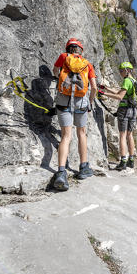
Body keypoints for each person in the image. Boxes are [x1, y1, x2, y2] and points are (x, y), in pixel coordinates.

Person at [51, 38, 97, 190]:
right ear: (80, 50)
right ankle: (83, 167)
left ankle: (61, 172)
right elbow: (94, 88)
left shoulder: (64, 57)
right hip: (81, 102)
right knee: (82, 133)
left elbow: (55, 72)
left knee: (66, 136)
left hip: (64, 101)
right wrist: (89, 101)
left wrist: (59, 78)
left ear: (68, 48)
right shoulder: (87, 64)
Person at [98, 61, 137, 171]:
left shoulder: (126, 81)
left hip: (124, 111)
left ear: (127, 70)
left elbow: (119, 97)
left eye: (121, 70)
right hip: (133, 111)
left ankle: (123, 161)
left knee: (122, 135)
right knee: (130, 135)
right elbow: (119, 92)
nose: (120, 72)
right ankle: (131, 160)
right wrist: (106, 88)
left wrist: (103, 94)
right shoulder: (133, 81)